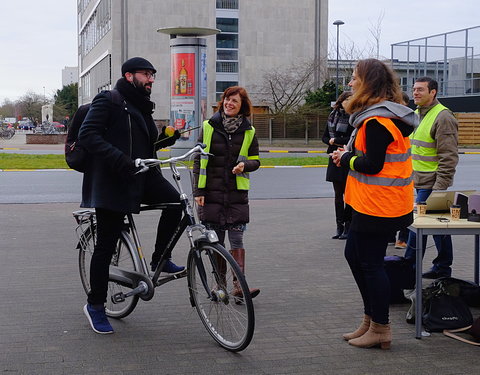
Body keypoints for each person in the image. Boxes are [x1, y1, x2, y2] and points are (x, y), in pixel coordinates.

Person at [78, 57, 184, 334]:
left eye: (152, 74)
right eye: (146, 74)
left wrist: (168, 137)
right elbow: (88, 135)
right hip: (114, 181)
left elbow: (147, 145)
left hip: (143, 177)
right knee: (105, 247)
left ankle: (159, 257)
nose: (151, 79)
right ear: (129, 75)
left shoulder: (141, 108)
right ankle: (95, 306)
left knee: (177, 204)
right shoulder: (109, 100)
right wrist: (121, 160)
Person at [332, 59, 417, 349]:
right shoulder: (383, 116)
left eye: (354, 78)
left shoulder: (376, 121)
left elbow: (372, 164)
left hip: (379, 206)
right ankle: (370, 320)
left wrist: (345, 158)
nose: (350, 83)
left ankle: (381, 327)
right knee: (354, 256)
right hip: (375, 204)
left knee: (369, 264)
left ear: (366, 83)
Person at [193, 86, 260, 299]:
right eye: (228, 100)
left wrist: (245, 166)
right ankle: (219, 286)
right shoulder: (209, 126)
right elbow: (198, 160)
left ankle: (239, 286)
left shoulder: (249, 131)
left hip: (236, 194)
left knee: (237, 240)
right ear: (223, 101)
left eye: (235, 101)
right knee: (217, 242)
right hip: (211, 193)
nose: (230, 104)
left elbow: (256, 160)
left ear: (242, 107)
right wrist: (198, 191)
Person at [403, 77, 459, 279]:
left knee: (417, 228)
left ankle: (409, 271)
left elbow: (449, 156)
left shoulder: (443, 117)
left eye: (420, 90)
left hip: (432, 184)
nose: (415, 93)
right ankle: (442, 268)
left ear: (433, 92)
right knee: (437, 229)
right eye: (414, 89)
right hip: (416, 181)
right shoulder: (417, 113)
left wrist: (440, 187)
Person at [322, 91, 353, 240]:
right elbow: (324, 137)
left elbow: (354, 138)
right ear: (341, 101)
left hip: (347, 157)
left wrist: (336, 140)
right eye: (348, 99)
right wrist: (332, 141)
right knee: (337, 195)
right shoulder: (332, 116)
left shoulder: (355, 117)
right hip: (334, 157)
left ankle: (348, 226)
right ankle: (339, 226)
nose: (350, 101)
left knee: (349, 195)